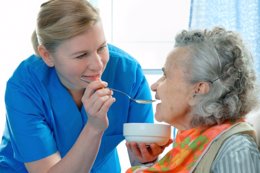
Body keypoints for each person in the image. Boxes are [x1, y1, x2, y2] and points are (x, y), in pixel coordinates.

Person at [0, 0, 168, 172]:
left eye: (102, 47)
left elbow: (140, 156)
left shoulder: (128, 74)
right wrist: (94, 127)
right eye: (81, 55)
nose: (98, 65)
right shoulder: (24, 88)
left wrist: (147, 159)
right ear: (47, 55)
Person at [126, 27, 260, 173]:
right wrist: (147, 163)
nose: (154, 86)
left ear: (198, 90)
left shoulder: (235, 149)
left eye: (166, 76)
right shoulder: (191, 143)